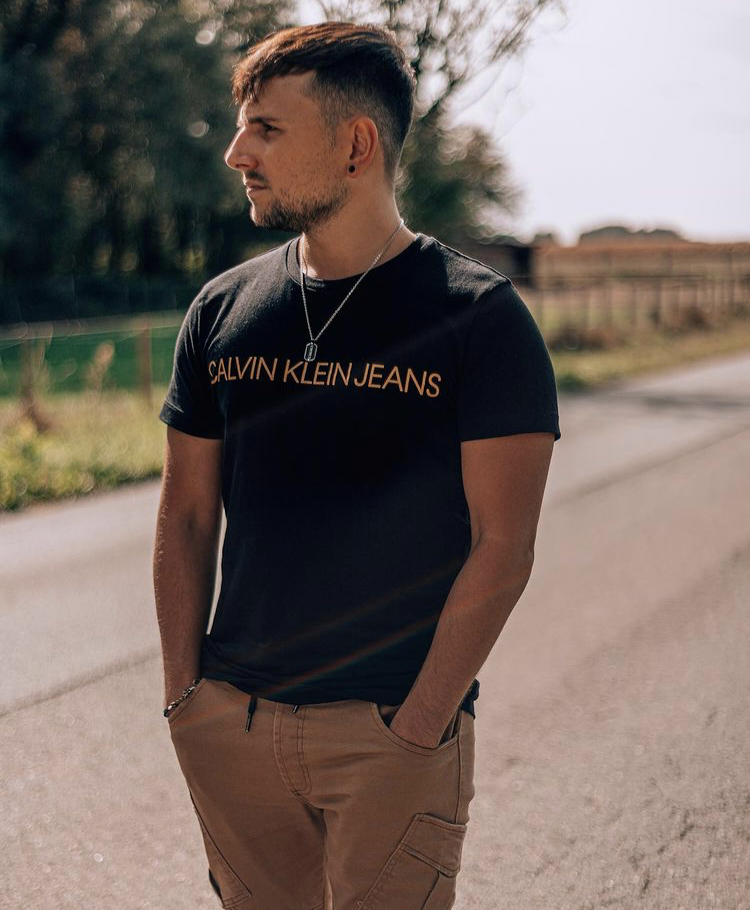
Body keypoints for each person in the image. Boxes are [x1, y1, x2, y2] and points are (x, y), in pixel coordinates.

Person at [153, 19, 561, 910]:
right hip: (233, 723)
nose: (236, 154)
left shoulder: (480, 320)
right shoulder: (220, 310)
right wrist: (185, 697)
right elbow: (185, 514)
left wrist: (419, 727)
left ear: (356, 146)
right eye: (242, 128)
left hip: (390, 733)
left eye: (266, 129)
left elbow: (504, 545)